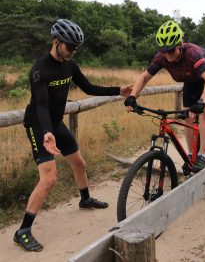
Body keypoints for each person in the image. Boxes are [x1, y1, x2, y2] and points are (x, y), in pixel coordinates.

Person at [14, 19, 132, 252]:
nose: (72, 51)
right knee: (49, 179)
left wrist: (118, 91)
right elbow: (41, 104)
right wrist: (47, 133)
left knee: (79, 163)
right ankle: (23, 231)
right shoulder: (40, 70)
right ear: (56, 42)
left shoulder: (69, 65)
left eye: (76, 48)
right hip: (39, 125)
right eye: (69, 47)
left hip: (55, 124)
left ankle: (85, 199)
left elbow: (88, 88)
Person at [124, 20, 205, 173]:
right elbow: (144, 77)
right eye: (164, 50)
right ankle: (191, 154)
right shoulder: (161, 57)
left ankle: (202, 155)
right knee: (187, 115)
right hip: (191, 79)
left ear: (179, 45)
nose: (167, 54)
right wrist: (132, 96)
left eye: (170, 50)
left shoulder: (191, 54)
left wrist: (202, 101)